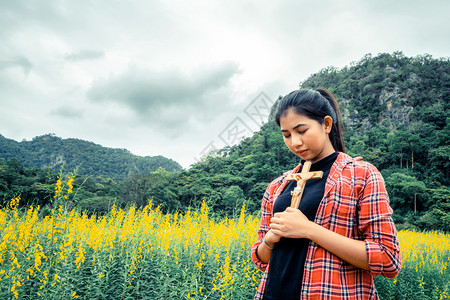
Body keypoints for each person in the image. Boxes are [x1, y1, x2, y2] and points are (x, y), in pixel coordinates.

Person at [251, 88, 401, 300]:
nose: (295, 142)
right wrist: (269, 240)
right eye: (287, 135)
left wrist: (309, 230)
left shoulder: (362, 175)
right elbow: (260, 258)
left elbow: (388, 259)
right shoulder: (277, 186)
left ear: (327, 124)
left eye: (301, 131)